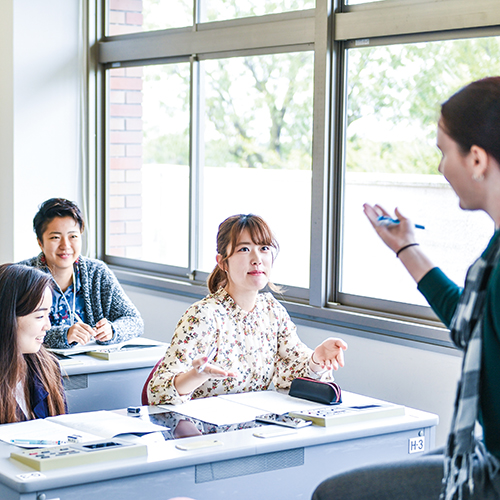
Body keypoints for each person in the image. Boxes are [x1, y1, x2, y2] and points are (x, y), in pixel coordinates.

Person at [313, 77, 500, 500]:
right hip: (486, 451)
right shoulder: (496, 248)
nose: (440, 168)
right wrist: (406, 247)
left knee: (335, 494)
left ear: (475, 159)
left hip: (494, 465)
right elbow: (468, 321)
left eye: (442, 152)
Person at [147, 213, 347, 405]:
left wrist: (317, 358)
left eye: (264, 248)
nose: (257, 259)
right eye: (244, 249)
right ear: (223, 262)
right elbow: (156, 391)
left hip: (258, 427)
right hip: (209, 433)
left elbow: (292, 372)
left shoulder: (271, 310)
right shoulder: (204, 316)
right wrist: (195, 376)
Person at [20, 198, 144, 349]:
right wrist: (64, 336)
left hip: (90, 366)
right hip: (37, 365)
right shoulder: (22, 274)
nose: (65, 245)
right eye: (55, 237)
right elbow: (12, 329)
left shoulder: (96, 272)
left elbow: (134, 321)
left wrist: (112, 330)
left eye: (73, 236)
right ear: (40, 242)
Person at [0, 264, 66, 423]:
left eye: (48, 314)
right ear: (7, 317)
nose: (48, 326)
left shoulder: (47, 367)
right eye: (39, 316)